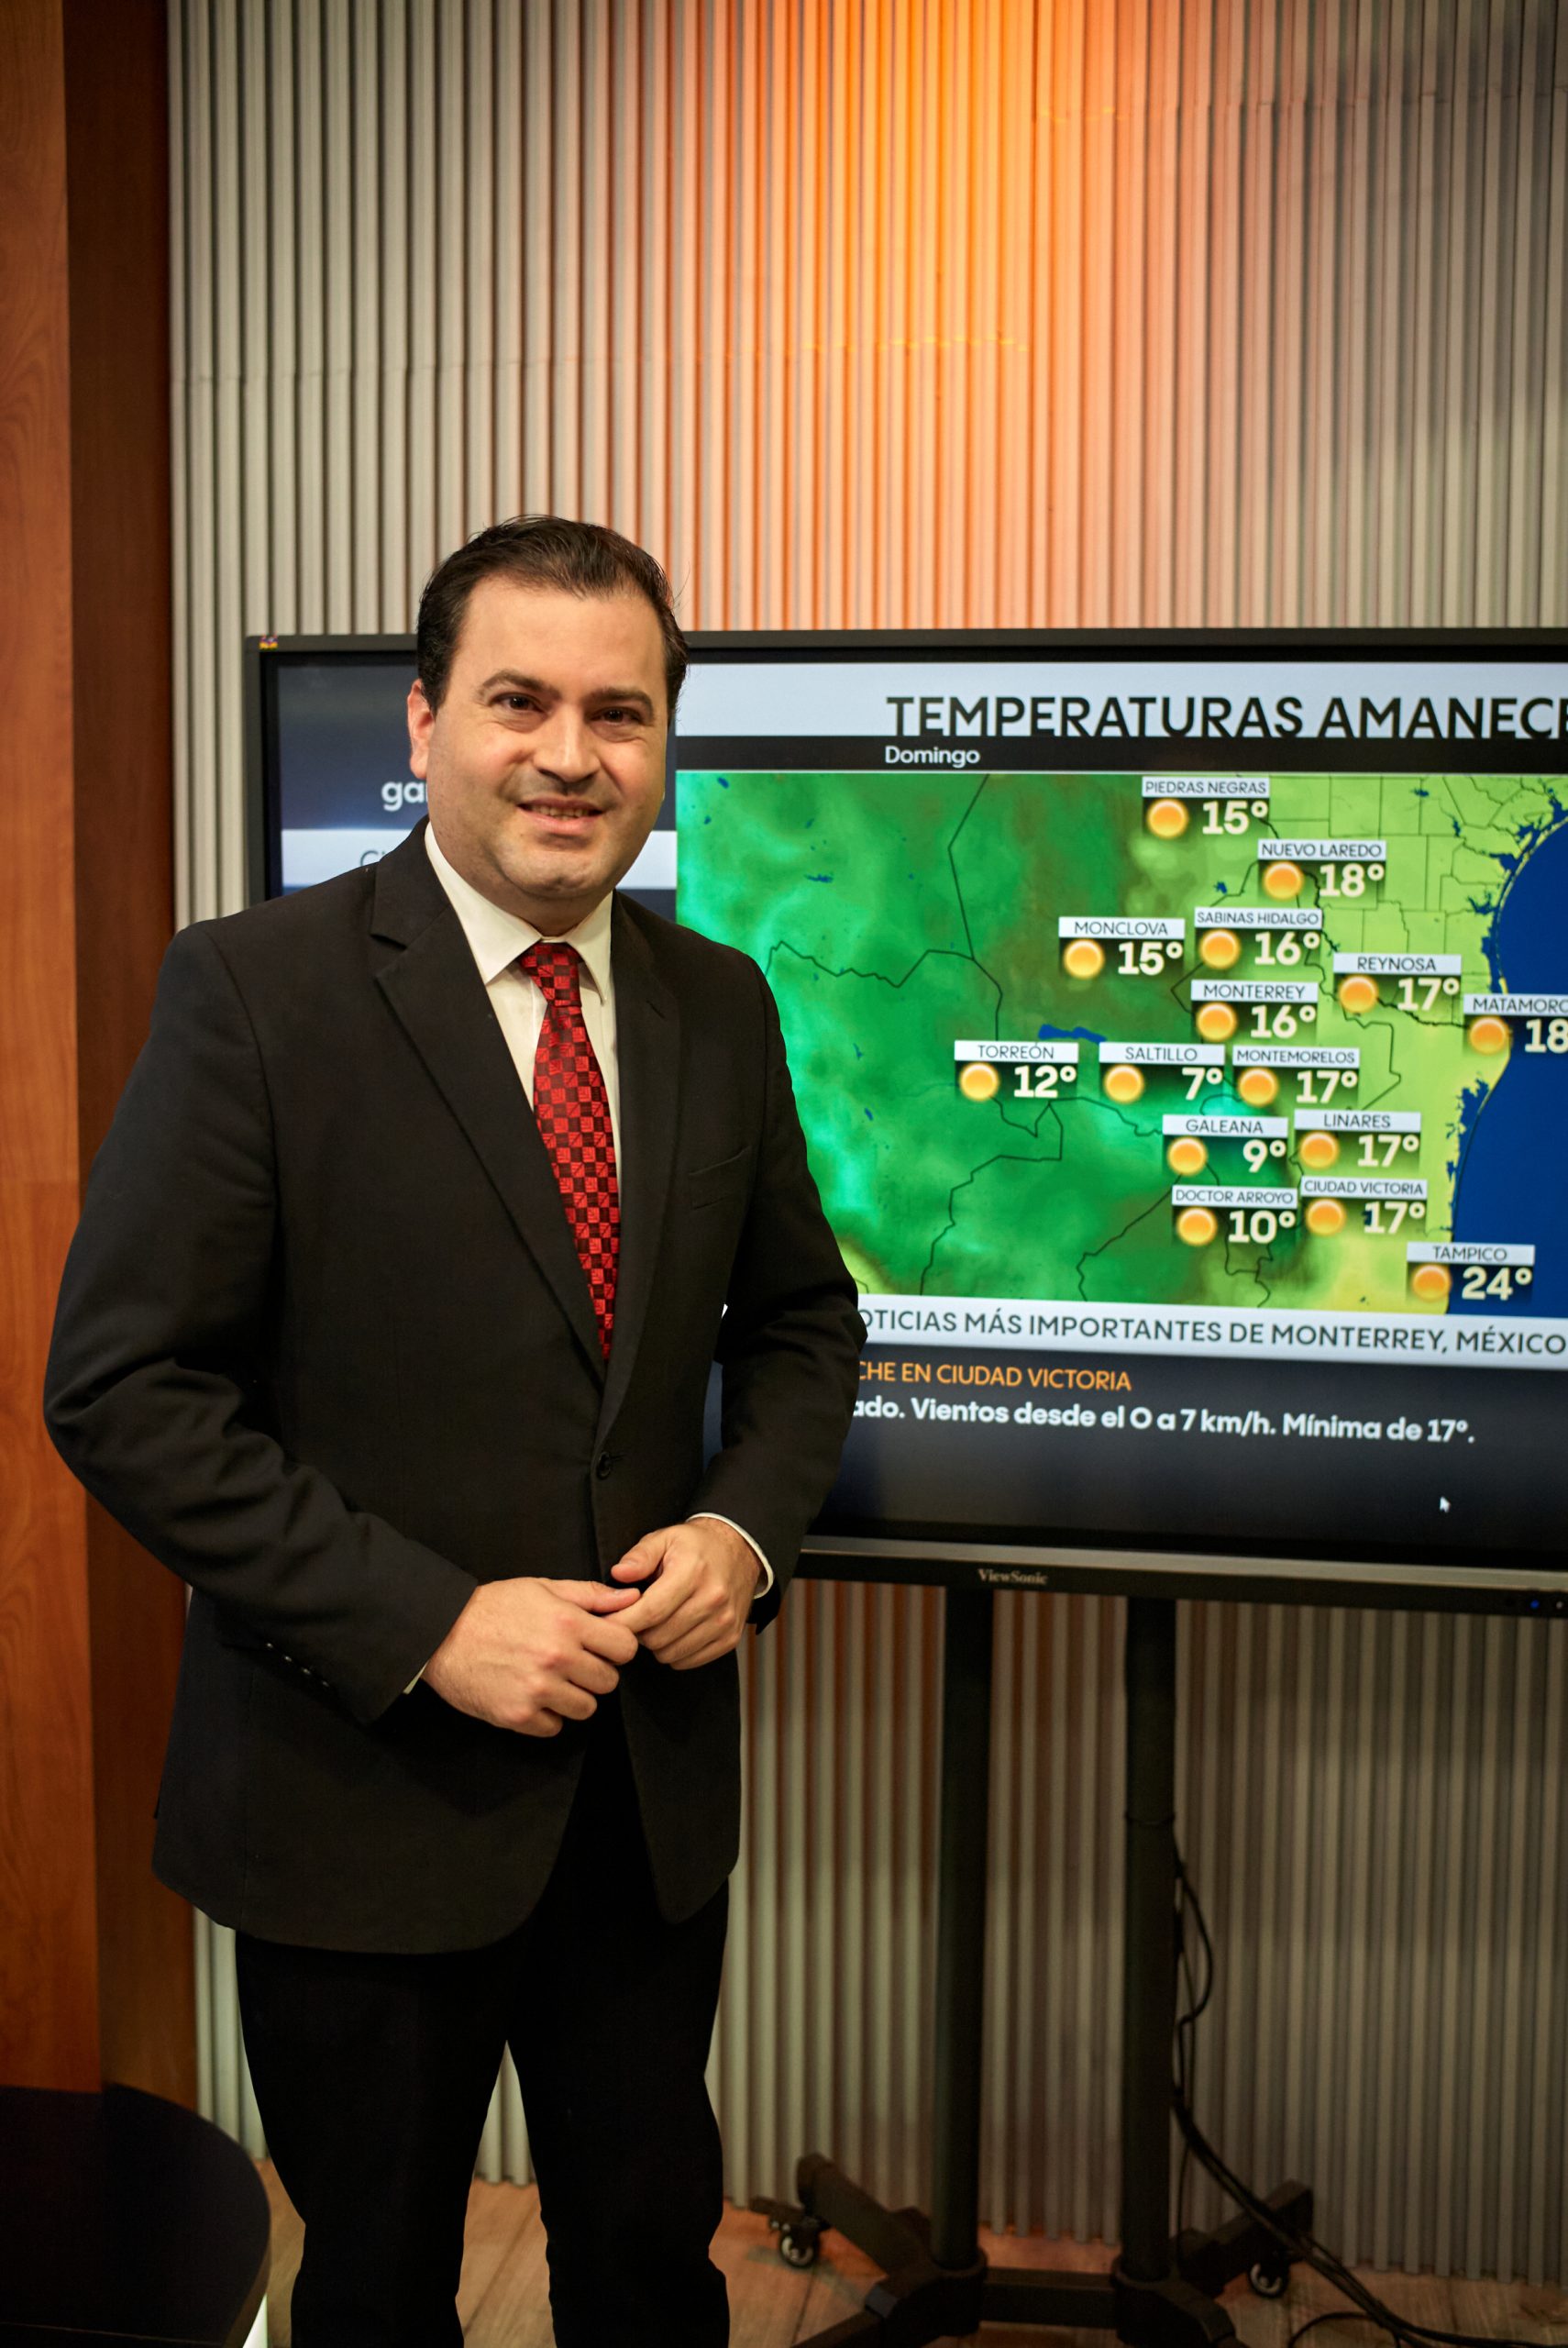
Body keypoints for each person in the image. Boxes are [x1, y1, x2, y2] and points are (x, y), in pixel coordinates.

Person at [44, 516, 865, 2348]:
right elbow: (123, 1387)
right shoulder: (253, 991)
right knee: (377, 2287)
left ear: (662, 743)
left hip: (643, 1808)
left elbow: (804, 1326)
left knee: (649, 2272)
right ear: (422, 722)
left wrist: (740, 1533)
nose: (571, 754)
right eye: (518, 701)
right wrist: (428, 1621)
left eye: (618, 712)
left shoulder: (718, 1003)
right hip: (359, 1798)